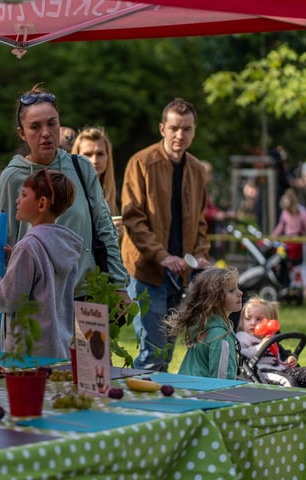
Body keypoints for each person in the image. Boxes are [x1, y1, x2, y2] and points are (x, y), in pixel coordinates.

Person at [0, 85, 130, 334]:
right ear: (22, 133)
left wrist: (119, 284)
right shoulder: (12, 177)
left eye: (52, 123)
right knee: (43, 373)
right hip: (37, 305)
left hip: (87, 298)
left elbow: (105, 229)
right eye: (35, 127)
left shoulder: (81, 168)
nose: (46, 133)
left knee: (91, 372)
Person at [121, 97, 211, 372]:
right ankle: (136, 408)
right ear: (162, 128)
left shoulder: (196, 169)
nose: (180, 135)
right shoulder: (141, 162)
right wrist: (161, 256)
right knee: (152, 353)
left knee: (166, 354)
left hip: (181, 275)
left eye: (186, 129)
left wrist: (200, 255)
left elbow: (200, 221)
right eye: (174, 128)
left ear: (194, 131)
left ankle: (157, 408)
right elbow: (132, 218)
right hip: (147, 271)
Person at [0, 169, 81, 358]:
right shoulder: (64, 245)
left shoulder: (28, 247)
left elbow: (7, 300)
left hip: (26, 355)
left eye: (24, 195)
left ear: (42, 203)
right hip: (56, 349)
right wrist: (13, 260)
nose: (17, 200)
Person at [237, 296, 306, 421]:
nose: (253, 323)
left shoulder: (270, 337)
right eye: (248, 318)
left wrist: (288, 361)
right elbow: (242, 354)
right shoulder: (242, 337)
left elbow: (278, 359)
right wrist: (261, 345)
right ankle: (297, 413)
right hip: (262, 373)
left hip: (280, 369)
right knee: (289, 381)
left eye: (259, 319)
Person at [165, 267, 242, 379]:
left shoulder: (201, 324)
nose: (240, 293)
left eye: (237, 288)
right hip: (202, 393)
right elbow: (223, 381)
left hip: (185, 387)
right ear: (215, 300)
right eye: (231, 290)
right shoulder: (220, 336)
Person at [71, 126, 122, 237]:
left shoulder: (106, 192)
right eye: (87, 155)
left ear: (108, 157)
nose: (94, 160)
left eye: (100, 154)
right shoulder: (67, 192)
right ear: (76, 157)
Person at [272, 188, 306, 300]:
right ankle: (293, 289)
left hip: (299, 241)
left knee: (302, 265)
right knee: (289, 265)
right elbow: (281, 226)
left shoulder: (301, 212)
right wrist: (274, 236)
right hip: (288, 241)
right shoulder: (284, 212)